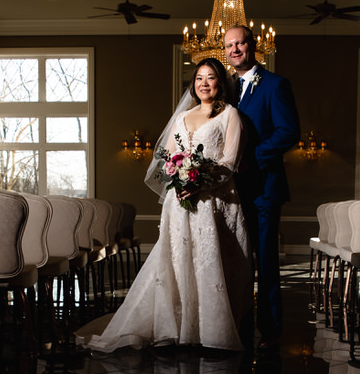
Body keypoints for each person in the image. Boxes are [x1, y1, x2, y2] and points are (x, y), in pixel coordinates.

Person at [76, 57, 252, 352]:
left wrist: (200, 183)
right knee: (177, 258)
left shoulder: (230, 115)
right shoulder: (184, 117)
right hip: (179, 200)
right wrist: (179, 177)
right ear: (193, 84)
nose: (203, 83)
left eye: (210, 78)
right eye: (199, 78)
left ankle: (209, 330)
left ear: (220, 83)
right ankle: (178, 325)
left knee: (210, 261)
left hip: (215, 201)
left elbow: (230, 161)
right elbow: (168, 158)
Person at [223, 25, 300, 351]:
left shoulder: (274, 84)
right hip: (229, 191)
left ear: (254, 47)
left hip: (264, 188)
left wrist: (250, 158)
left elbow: (288, 132)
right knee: (234, 260)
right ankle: (235, 325)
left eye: (240, 43)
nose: (235, 50)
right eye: (229, 45)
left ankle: (270, 330)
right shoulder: (225, 88)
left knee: (265, 261)